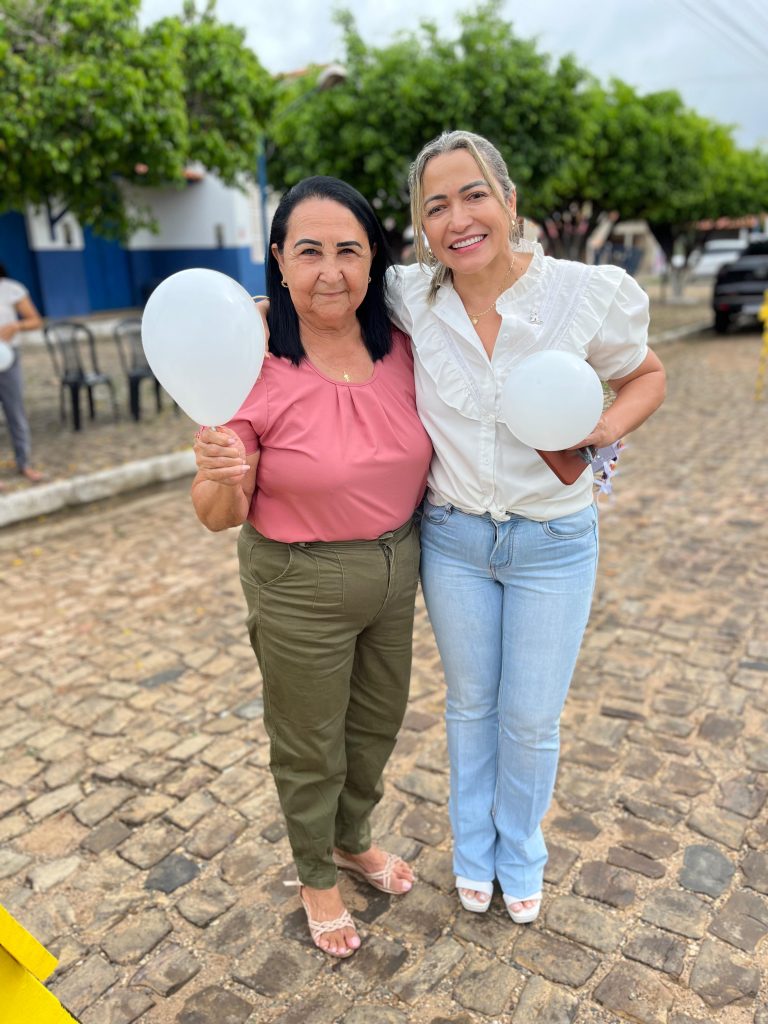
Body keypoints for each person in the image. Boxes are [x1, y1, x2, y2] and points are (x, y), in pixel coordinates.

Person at [387, 130, 666, 924]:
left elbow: (647, 375)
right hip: (455, 542)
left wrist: (603, 429)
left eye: (474, 195)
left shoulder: (583, 293)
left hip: (553, 544)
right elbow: (325, 297)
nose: (458, 219)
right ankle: (472, 850)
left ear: (509, 202)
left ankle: (521, 853)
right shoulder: (410, 297)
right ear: (422, 226)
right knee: (471, 706)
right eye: (436, 206)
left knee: (532, 717)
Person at [191, 176, 432, 958]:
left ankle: (352, 839)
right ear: (279, 261)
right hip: (299, 581)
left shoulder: (402, 347)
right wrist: (221, 474)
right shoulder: (253, 363)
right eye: (310, 251)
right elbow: (218, 513)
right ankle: (315, 874)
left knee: (377, 724)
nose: (331, 271)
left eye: (349, 251)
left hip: (397, 568)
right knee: (309, 742)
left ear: (374, 261)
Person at [0, 264, 45, 484]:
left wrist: (15, 327)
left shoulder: (11, 289)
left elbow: (35, 320)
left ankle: (24, 463)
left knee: (15, 411)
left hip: (7, 357)